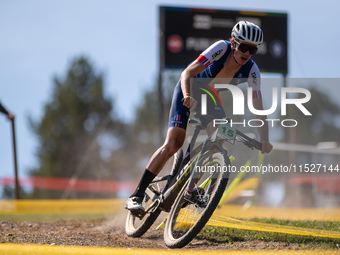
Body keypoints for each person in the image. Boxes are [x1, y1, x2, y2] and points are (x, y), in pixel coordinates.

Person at [125, 21, 273, 213]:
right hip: (189, 88)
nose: (247, 53)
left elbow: (258, 107)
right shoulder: (221, 48)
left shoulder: (252, 71)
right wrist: (187, 96)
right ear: (233, 43)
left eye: (252, 50)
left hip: (209, 97)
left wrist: (264, 140)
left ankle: (190, 188)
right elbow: (187, 72)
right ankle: (136, 195)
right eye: (244, 47)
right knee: (174, 143)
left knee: (220, 138)